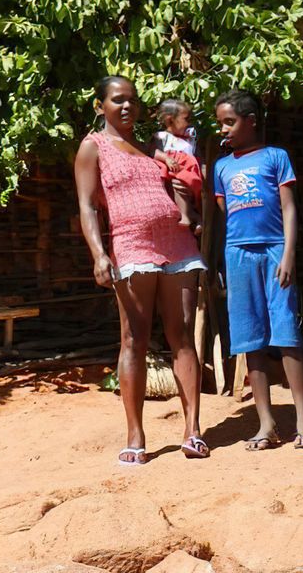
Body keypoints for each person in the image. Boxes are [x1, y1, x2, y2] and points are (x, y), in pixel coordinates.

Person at [74, 76, 210, 465]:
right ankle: (135, 435)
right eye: (117, 100)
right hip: (131, 245)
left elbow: (179, 182)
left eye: (132, 100)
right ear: (100, 105)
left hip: (177, 244)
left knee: (181, 333)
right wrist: (99, 254)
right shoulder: (92, 147)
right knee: (134, 337)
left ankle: (193, 430)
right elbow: (86, 206)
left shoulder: (153, 144)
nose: (127, 106)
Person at [211, 89, 303, 450]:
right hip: (238, 255)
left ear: (251, 121)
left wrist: (288, 254)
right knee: (249, 339)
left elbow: (289, 209)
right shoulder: (222, 167)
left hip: (275, 252)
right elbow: (229, 215)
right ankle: (266, 424)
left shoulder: (276, 157)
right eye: (220, 124)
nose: (223, 130)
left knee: (287, 334)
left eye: (230, 122)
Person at [153, 98, 203, 232]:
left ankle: (193, 216)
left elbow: (197, 158)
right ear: (170, 120)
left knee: (185, 188)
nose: (189, 123)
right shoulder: (161, 137)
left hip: (188, 175)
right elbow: (153, 151)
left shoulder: (190, 140)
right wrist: (166, 159)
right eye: (186, 119)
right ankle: (189, 216)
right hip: (173, 175)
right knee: (178, 185)